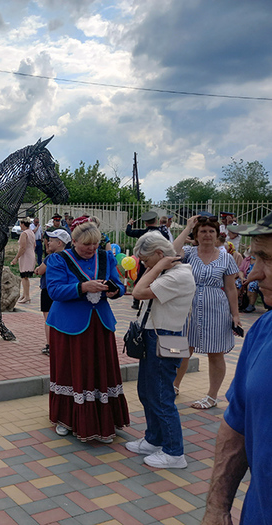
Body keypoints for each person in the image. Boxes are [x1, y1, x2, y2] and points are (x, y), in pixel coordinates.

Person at [201, 212, 272, 525]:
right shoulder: (264, 330)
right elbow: (237, 422)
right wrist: (217, 507)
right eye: (256, 258)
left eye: (268, 259)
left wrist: (233, 314)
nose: (255, 274)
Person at [45, 221, 129, 443]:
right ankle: (65, 419)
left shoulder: (105, 257)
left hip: (100, 324)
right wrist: (82, 287)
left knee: (100, 370)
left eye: (95, 244)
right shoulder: (59, 259)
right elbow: (53, 290)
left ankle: (102, 421)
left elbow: (119, 284)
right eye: (85, 245)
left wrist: (114, 291)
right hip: (69, 325)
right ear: (73, 242)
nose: (91, 249)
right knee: (69, 369)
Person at [125, 232, 196, 469]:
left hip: (166, 338)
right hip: (153, 336)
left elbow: (138, 292)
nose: (145, 266)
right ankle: (154, 439)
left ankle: (175, 453)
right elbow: (168, 249)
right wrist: (160, 264)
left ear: (158, 255)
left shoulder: (179, 275)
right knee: (147, 391)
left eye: (145, 261)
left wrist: (157, 267)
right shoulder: (167, 269)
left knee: (162, 395)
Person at [172, 214, 241, 408]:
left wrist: (235, 315)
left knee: (216, 353)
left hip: (216, 308)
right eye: (203, 231)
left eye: (211, 231)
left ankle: (211, 396)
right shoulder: (188, 252)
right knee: (183, 350)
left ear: (217, 234)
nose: (207, 235)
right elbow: (171, 251)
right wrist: (187, 227)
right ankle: (174, 386)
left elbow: (230, 288)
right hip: (189, 307)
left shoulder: (226, 258)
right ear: (196, 233)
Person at [34, 227, 70, 355]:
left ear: (59, 243)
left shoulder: (52, 257)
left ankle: (50, 345)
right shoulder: (69, 256)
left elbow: (40, 271)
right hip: (62, 291)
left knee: (48, 319)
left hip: (48, 290)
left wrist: (38, 268)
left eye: (51, 240)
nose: (48, 243)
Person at [126, 211, 171, 309]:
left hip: (145, 261)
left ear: (145, 223)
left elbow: (128, 232)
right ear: (156, 221)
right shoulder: (163, 234)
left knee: (141, 278)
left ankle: (136, 302)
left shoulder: (143, 233)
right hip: (159, 261)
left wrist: (129, 224)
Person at [10, 217, 36, 304]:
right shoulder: (31, 232)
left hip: (26, 256)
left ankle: (27, 296)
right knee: (25, 276)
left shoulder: (24, 234)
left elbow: (22, 247)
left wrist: (16, 258)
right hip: (31, 254)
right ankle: (25, 295)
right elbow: (34, 245)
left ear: (23, 224)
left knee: (24, 276)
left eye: (21, 224)